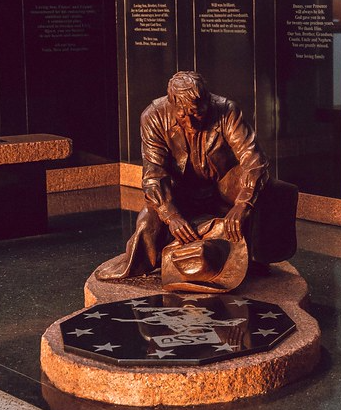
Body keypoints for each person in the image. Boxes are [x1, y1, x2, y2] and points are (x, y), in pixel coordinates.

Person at [97, 71, 270, 282]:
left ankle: (251, 257)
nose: (190, 123)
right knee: (148, 222)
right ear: (171, 105)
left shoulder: (226, 110)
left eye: (197, 113)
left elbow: (254, 160)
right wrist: (171, 216)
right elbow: (153, 175)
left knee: (258, 190)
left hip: (222, 185)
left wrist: (244, 204)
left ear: (208, 101)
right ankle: (149, 259)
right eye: (182, 115)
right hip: (179, 190)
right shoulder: (153, 116)